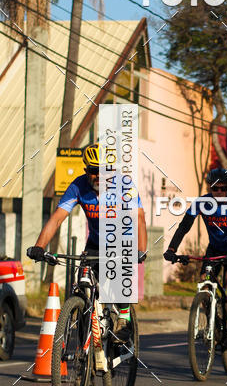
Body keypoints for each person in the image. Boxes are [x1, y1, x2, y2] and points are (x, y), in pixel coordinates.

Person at [26, 143, 147, 348]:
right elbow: (56, 219)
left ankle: (123, 320)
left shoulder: (124, 185)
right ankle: (86, 345)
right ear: (86, 171)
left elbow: (140, 218)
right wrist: (39, 246)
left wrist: (140, 250)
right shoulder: (78, 186)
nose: (99, 176)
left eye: (103, 171)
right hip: (95, 243)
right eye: (93, 171)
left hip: (121, 241)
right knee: (82, 283)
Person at [164, 167, 227, 346]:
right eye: (215, 188)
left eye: (223, 189)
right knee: (204, 282)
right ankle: (215, 321)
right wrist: (172, 249)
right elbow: (184, 226)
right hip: (215, 248)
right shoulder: (201, 203)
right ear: (209, 188)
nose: (219, 193)